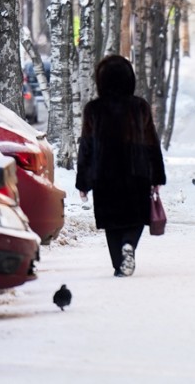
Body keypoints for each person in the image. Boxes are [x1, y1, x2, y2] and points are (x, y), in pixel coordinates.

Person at [76, 55, 166, 277]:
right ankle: (129, 246)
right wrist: (156, 177)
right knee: (136, 218)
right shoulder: (140, 107)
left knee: (111, 222)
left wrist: (83, 182)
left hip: (104, 175)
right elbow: (151, 143)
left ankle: (119, 263)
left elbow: (86, 146)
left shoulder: (93, 109)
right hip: (137, 173)